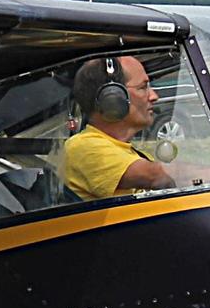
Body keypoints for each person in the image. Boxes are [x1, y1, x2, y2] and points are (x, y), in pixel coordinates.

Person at [64, 55, 174, 200]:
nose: (154, 96)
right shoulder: (82, 147)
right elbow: (156, 176)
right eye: (143, 87)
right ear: (113, 98)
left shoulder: (134, 155)